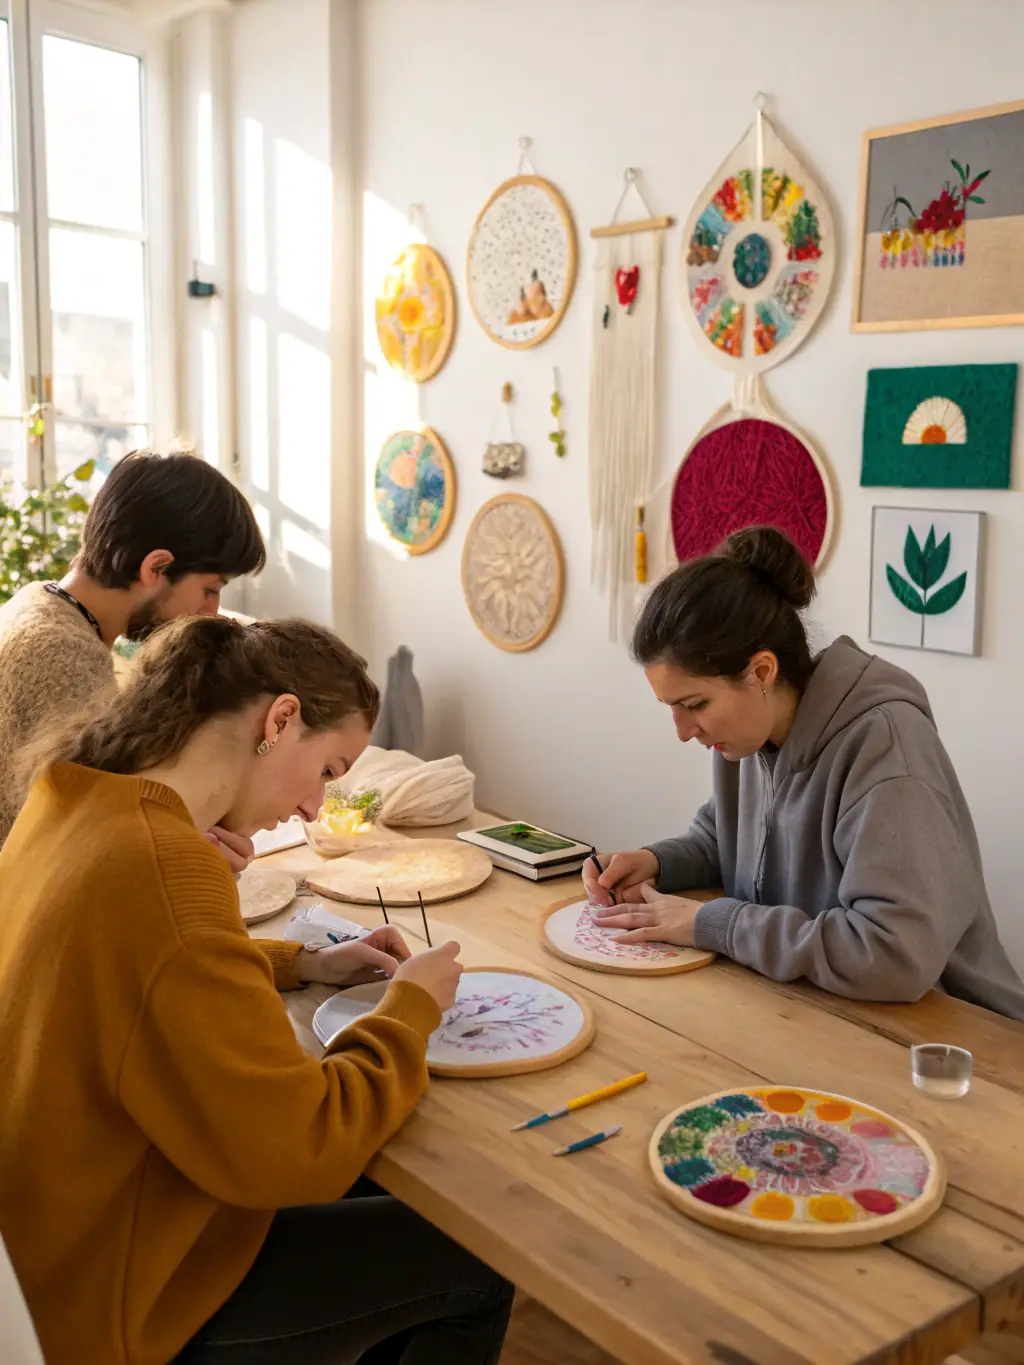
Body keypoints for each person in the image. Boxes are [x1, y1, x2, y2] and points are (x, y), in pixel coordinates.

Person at [0, 615, 513, 1365]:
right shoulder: (166, 871)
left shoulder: (69, 797)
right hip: (122, 1298)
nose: (313, 807)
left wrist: (294, 963)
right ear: (280, 719)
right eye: (330, 770)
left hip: (51, 1256)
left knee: (391, 1203)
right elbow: (300, 1147)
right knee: (480, 1258)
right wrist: (411, 1009)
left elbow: (127, 975)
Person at [584, 525, 1024, 1018]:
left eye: (695, 704)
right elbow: (727, 841)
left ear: (762, 672)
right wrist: (657, 862)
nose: (684, 731)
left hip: (952, 1042)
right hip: (819, 1009)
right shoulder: (749, 736)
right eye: (672, 707)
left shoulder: (885, 751)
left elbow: (895, 954)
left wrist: (716, 924)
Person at [0, 450, 266, 869]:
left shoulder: (39, 604)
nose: (211, 610)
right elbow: (96, 849)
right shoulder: (63, 655)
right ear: (156, 567)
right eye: (210, 588)